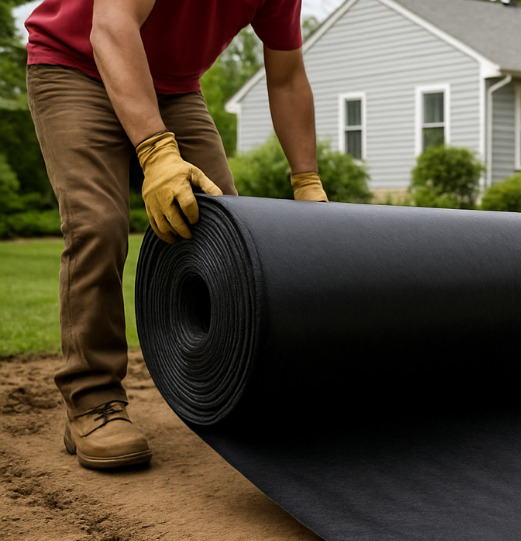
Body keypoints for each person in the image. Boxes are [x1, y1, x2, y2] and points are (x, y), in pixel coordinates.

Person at [25, 0, 328, 471]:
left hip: (174, 87)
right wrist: (156, 151)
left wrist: (307, 182)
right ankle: (92, 400)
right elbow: (111, 25)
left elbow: (287, 77)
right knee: (98, 224)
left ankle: (231, 388)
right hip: (76, 64)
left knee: (229, 236)